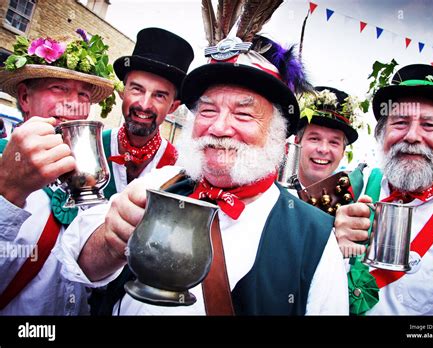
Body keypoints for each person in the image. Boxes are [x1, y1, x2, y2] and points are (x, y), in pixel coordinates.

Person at [56, 22, 349, 314]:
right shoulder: (159, 182)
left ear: (276, 131)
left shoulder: (314, 237)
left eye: (243, 114)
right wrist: (110, 241)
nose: (219, 127)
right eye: (208, 110)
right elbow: (77, 266)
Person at [334, 64, 433, 315]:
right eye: (400, 122)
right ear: (381, 135)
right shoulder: (346, 188)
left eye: (429, 126)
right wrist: (328, 243)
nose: (412, 136)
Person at [0, 31, 115, 315]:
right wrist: (7, 193)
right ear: (25, 98)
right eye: (58, 88)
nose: (72, 105)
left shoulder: (88, 176)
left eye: (83, 95)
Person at [102, 28, 194, 197]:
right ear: (123, 92)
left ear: (173, 107)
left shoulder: (179, 169)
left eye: (159, 96)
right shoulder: (96, 146)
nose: (144, 105)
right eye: (137, 89)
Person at [296, 86, 359, 187]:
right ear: (297, 142)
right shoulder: (270, 193)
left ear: (343, 151)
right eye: (314, 139)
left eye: (334, 142)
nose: (323, 149)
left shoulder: (351, 197)